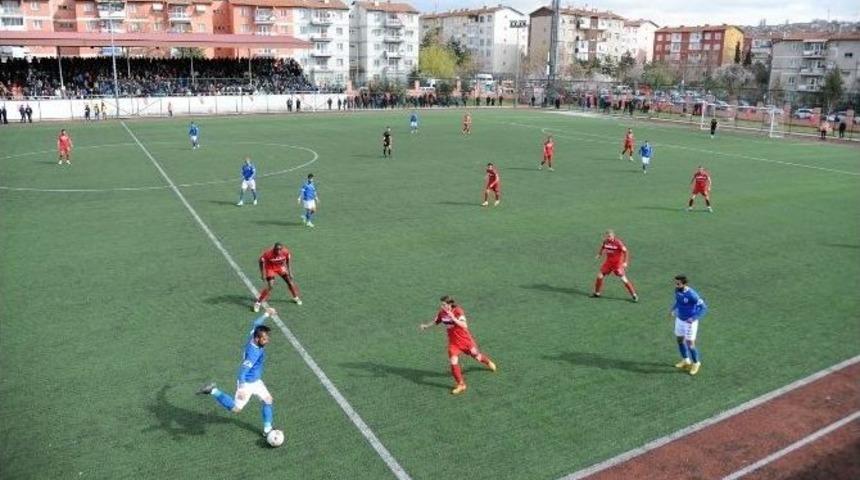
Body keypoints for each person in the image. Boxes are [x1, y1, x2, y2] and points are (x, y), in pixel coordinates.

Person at [197, 307, 279, 436]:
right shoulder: (254, 353)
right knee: (236, 409)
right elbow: (242, 371)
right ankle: (213, 390)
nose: (267, 340)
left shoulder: (254, 335)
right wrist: (241, 388)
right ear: (257, 339)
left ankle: (267, 429)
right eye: (264, 339)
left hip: (256, 381)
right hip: (247, 383)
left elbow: (256, 323)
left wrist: (267, 314)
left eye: (267, 338)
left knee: (268, 400)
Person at [419, 296, 497, 395]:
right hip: (454, 343)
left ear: (450, 304)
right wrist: (426, 326)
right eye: (441, 304)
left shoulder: (458, 311)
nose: (442, 306)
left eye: (444, 304)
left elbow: (465, 325)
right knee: (453, 360)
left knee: (477, 356)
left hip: (466, 341)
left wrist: (453, 318)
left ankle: (488, 362)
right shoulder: (442, 313)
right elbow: (436, 321)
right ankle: (461, 384)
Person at [670, 275, 708, 376]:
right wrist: (673, 309)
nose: (676, 285)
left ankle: (696, 363)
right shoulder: (677, 290)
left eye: (678, 283)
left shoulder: (692, 295)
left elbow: (703, 308)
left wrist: (694, 318)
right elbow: (678, 302)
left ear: (684, 284)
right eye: (675, 283)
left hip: (689, 323)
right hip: (679, 320)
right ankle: (686, 360)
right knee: (679, 340)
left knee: (690, 344)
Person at [253, 242, 302, 312]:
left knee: (290, 283)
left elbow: (288, 261)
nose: (278, 251)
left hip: (280, 267)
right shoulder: (267, 254)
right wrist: (262, 274)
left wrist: (290, 272)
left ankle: (296, 297)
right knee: (270, 286)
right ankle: (258, 303)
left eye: (280, 250)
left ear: (282, 249)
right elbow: (260, 261)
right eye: (277, 250)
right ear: (274, 249)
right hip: (270, 268)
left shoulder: (286, 252)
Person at [592, 230, 638, 302]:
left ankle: (634, 295)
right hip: (608, 263)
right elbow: (603, 247)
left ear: (613, 236)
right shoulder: (606, 241)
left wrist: (625, 262)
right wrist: (599, 254)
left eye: (609, 236)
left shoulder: (618, 243)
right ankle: (597, 293)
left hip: (617, 264)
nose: (608, 238)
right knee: (599, 276)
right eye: (607, 236)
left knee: (623, 279)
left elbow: (626, 251)